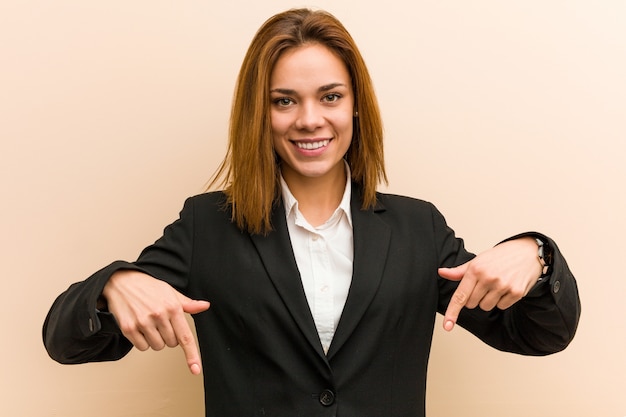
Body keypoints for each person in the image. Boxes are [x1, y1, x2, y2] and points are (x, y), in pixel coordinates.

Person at [43, 8, 581, 417]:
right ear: (261, 112)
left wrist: (537, 256)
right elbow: (64, 342)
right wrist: (114, 283)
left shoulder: (419, 229)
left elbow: (540, 336)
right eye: (284, 101)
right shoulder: (207, 227)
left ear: (354, 106)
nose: (309, 120)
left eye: (329, 96)